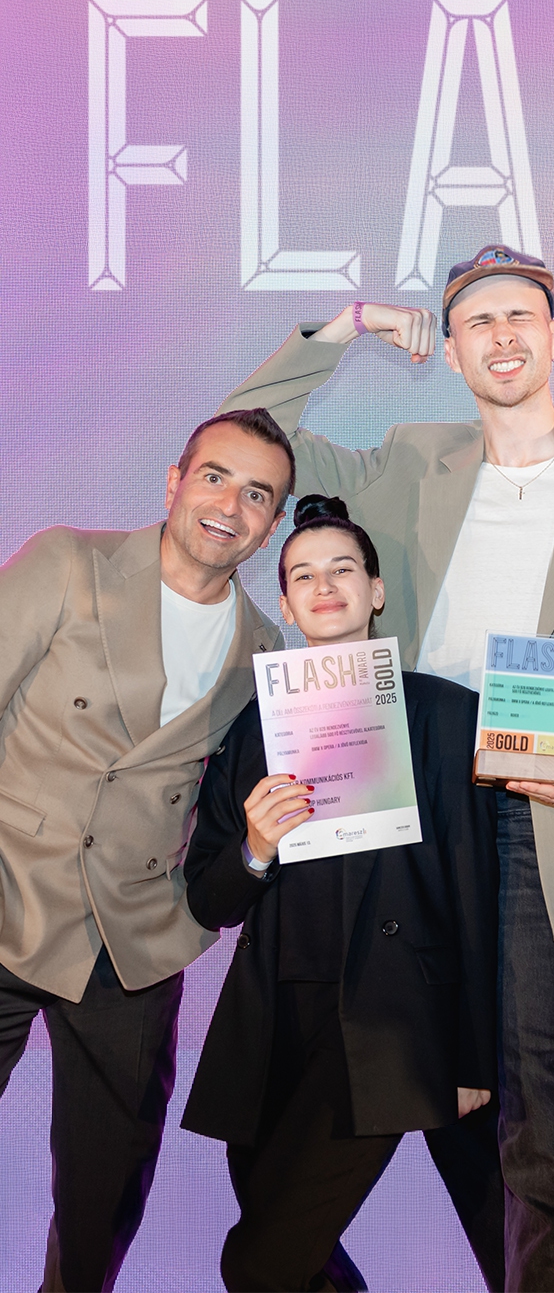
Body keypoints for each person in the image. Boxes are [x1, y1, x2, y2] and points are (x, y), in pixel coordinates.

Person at [214, 247, 554, 1291]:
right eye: (478, 321)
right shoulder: (408, 459)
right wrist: (344, 329)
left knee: (530, 1093)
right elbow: (245, 442)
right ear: (453, 350)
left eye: (521, 316)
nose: (502, 336)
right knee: (371, 1067)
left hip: (533, 806)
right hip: (394, 791)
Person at [0, 408, 294, 1292]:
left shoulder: (263, 649)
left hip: (131, 945)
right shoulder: (69, 563)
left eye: (257, 495)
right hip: (9, 896)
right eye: (215, 477)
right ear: (173, 482)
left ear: (272, 523)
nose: (229, 506)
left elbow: (227, 814)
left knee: (101, 1201)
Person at [180, 495, 501, 1293]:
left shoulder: (445, 716)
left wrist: (473, 1055)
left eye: (343, 570)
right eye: (303, 576)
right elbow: (209, 900)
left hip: (387, 1031)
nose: (324, 586)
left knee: (257, 1265)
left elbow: (476, 895)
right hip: (274, 1029)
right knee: (291, 1261)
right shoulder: (253, 727)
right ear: (285, 606)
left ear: (376, 591)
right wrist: (255, 849)